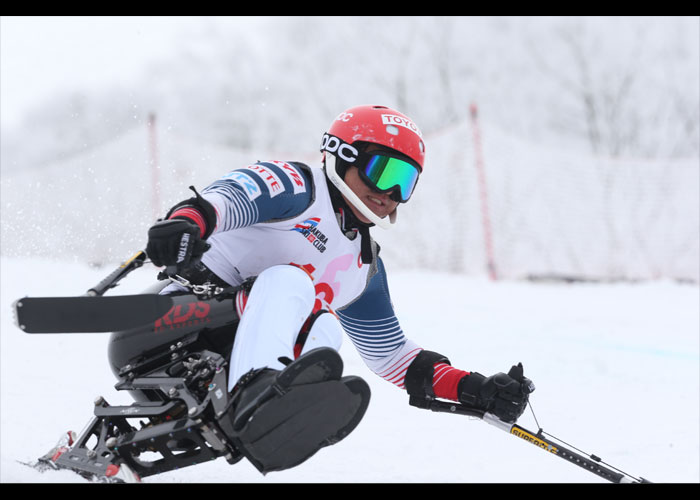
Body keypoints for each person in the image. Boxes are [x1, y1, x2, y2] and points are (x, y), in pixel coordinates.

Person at [145, 104, 534, 474]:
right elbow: (227, 200)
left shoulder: (363, 266)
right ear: (342, 154)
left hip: (216, 374)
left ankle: (276, 412)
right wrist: (188, 222)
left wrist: (472, 387)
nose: (390, 195)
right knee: (293, 281)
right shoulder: (298, 187)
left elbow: (392, 356)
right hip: (171, 327)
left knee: (325, 325)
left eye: (405, 183)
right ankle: (259, 396)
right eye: (384, 173)